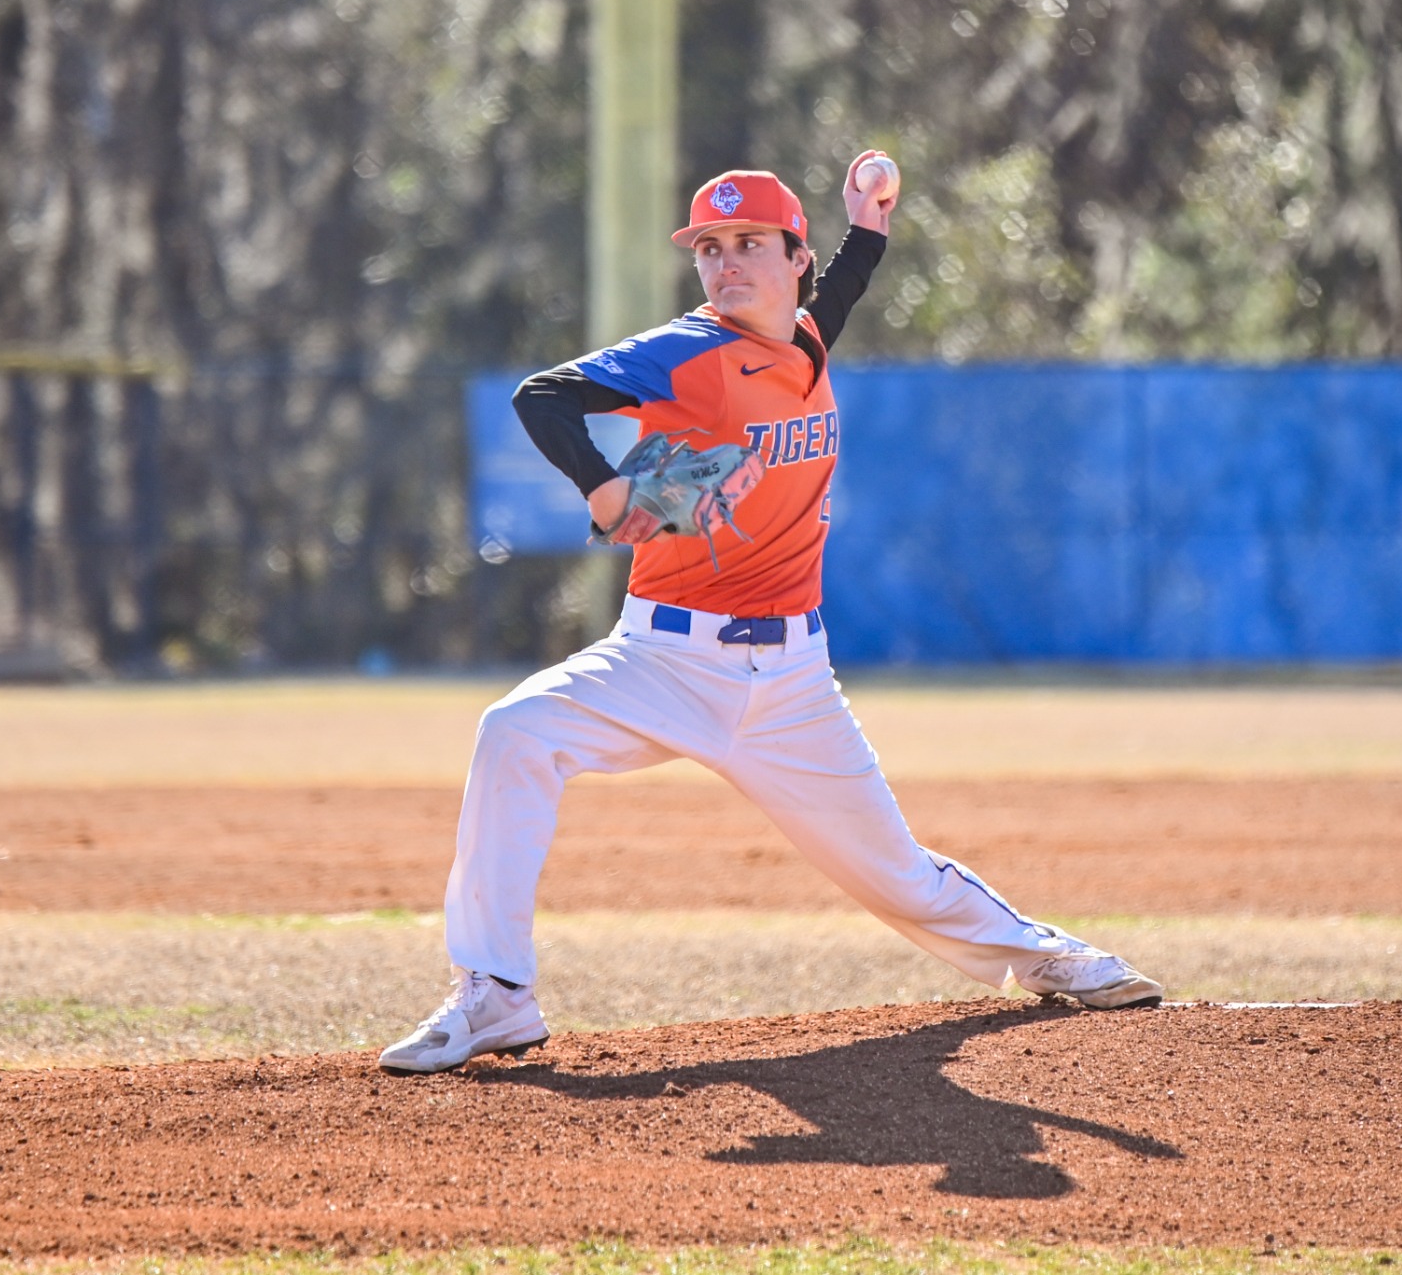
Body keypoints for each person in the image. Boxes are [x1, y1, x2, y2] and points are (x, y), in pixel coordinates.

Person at [378, 155, 1163, 1075]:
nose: (726, 263)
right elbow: (542, 396)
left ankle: (1047, 957)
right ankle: (495, 995)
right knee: (514, 733)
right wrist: (602, 490)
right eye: (710, 248)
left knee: (896, 873)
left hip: (792, 681)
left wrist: (867, 224)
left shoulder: (805, 341)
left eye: (750, 243)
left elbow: (839, 299)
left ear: (797, 259)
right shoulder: (688, 351)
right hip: (663, 660)